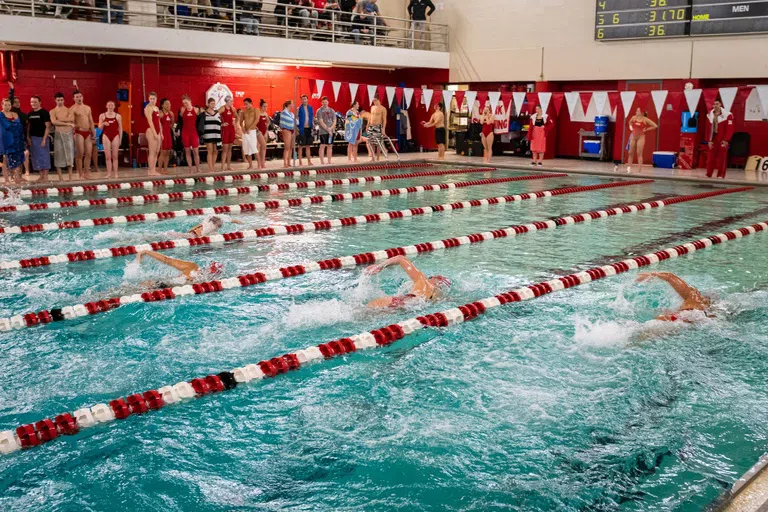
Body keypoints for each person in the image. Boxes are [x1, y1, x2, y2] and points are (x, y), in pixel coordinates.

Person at [365, 256, 451, 308]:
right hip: (404, 308)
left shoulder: (424, 281)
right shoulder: (436, 298)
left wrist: (379, 267)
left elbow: (400, 258)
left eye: (431, 277)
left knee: (363, 311)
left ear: (436, 278)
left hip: (396, 301)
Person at [636, 272, 712, 322]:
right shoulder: (706, 308)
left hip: (679, 318)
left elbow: (670, 276)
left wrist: (652, 274)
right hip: (690, 320)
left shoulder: (694, 296)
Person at [136, 250, 223, 288]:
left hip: (164, 283)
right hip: (165, 285)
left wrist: (147, 252)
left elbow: (167, 260)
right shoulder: (205, 281)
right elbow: (167, 260)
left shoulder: (192, 266)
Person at [617, 108, 658, 174]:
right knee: (630, 152)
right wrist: (631, 127)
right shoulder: (633, 117)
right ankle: (629, 168)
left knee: (639, 153)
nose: (636, 112)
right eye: (636, 110)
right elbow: (630, 122)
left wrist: (646, 129)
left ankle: (639, 170)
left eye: (637, 111)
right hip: (633, 136)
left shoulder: (645, 119)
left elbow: (655, 126)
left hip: (641, 137)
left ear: (641, 112)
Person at [27, 95, 53, 183]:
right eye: (32, 102)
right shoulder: (30, 114)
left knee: (44, 157)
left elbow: (48, 127)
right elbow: (29, 127)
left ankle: (45, 176)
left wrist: (44, 139)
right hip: (33, 138)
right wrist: (28, 137)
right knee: (36, 157)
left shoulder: (44, 112)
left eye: (35, 102)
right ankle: (41, 175)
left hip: (42, 138)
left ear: (40, 102)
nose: (33, 103)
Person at [706, 100, 734, 179]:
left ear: (720, 104)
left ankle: (720, 175)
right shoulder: (710, 114)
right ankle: (708, 173)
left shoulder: (728, 115)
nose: (715, 105)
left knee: (722, 158)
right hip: (713, 138)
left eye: (717, 104)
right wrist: (709, 140)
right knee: (710, 158)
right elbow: (708, 129)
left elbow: (730, 129)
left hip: (722, 139)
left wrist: (726, 139)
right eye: (714, 104)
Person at [50, 92, 75, 180]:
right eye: (58, 100)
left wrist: (59, 120)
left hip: (68, 134)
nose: (60, 102)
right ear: (55, 101)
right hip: (58, 135)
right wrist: (67, 123)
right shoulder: (52, 111)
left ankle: (70, 178)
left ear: (64, 100)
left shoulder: (69, 110)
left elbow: (72, 119)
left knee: (70, 155)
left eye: (61, 100)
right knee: (58, 155)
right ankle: (60, 178)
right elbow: (54, 122)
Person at [1, 97, 26, 186]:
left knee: (17, 158)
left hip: (16, 139)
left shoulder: (15, 114)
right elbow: (7, 125)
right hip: (6, 140)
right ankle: (7, 178)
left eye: (9, 105)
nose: (7, 107)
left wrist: (16, 128)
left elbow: (19, 126)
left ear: (11, 105)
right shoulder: (1, 114)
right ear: (2, 105)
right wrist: (15, 126)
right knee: (6, 159)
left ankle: (16, 177)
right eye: (5, 105)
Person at [71, 90, 95, 180]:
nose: (79, 98)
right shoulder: (72, 109)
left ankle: (86, 173)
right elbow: (71, 123)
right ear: (73, 98)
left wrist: (93, 132)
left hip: (88, 132)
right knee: (80, 153)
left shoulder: (88, 108)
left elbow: (91, 121)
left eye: (80, 96)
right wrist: (76, 126)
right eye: (76, 97)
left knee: (89, 153)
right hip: (79, 132)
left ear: (82, 97)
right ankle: (80, 174)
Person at [8, 84, 30, 181]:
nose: (17, 104)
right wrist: (12, 89)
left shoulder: (24, 115)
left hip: (21, 138)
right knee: (12, 156)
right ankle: (13, 175)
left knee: (23, 155)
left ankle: (23, 173)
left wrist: (27, 138)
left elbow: (27, 128)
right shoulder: (11, 113)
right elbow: (10, 99)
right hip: (11, 138)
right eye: (15, 102)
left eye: (18, 102)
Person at [98, 100, 123, 179]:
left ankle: (116, 173)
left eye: (112, 105)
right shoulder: (102, 115)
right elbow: (99, 127)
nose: (110, 107)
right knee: (108, 157)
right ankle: (109, 173)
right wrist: (103, 124)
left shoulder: (118, 116)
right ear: (106, 106)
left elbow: (120, 128)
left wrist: (120, 139)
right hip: (106, 136)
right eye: (109, 105)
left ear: (114, 107)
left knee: (115, 156)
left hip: (115, 136)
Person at [178, 95, 201, 173]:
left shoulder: (196, 109)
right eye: (184, 103)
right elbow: (180, 119)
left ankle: (198, 168)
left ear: (190, 101)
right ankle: (190, 169)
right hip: (185, 133)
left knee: (196, 152)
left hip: (193, 133)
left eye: (186, 102)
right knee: (187, 152)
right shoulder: (183, 109)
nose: (185, 104)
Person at [142, 92, 162, 177]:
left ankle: (153, 169)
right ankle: (150, 171)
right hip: (151, 131)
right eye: (151, 99)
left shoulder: (157, 108)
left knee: (157, 151)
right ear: (149, 99)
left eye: (154, 99)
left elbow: (158, 121)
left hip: (157, 131)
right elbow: (150, 122)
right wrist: (155, 134)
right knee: (152, 151)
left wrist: (161, 133)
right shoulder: (148, 108)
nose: (152, 100)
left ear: (156, 99)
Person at [239, 97, 259, 170]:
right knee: (247, 150)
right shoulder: (244, 112)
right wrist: (243, 128)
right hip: (246, 132)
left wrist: (250, 128)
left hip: (252, 131)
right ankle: (250, 165)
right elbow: (240, 121)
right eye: (244, 104)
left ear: (251, 103)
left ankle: (259, 165)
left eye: (246, 104)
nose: (245, 105)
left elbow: (257, 120)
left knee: (254, 148)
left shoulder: (255, 110)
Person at [202, 97, 221, 172]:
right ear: (208, 104)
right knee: (210, 151)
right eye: (212, 103)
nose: (213, 105)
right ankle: (210, 168)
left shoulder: (217, 113)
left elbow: (219, 122)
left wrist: (223, 124)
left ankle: (212, 166)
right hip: (208, 134)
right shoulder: (204, 113)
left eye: (214, 103)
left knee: (216, 151)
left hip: (216, 134)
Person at [218, 96, 236, 171]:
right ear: (227, 101)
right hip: (225, 130)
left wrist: (235, 122)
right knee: (225, 149)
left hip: (231, 129)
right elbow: (214, 116)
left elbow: (237, 116)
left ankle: (228, 166)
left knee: (230, 149)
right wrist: (221, 124)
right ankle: (222, 166)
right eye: (231, 101)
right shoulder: (222, 108)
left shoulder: (233, 108)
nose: (232, 102)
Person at [316, 96, 336, 165]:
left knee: (330, 146)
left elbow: (334, 121)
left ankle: (329, 161)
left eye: (326, 102)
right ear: (321, 103)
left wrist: (331, 129)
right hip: (323, 131)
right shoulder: (319, 110)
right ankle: (322, 162)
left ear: (328, 102)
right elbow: (321, 122)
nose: (325, 103)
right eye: (323, 102)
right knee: (323, 145)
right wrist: (328, 130)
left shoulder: (332, 110)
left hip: (331, 131)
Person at [296, 94, 314, 166]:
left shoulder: (310, 108)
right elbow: (296, 119)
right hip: (302, 129)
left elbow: (312, 117)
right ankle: (300, 162)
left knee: (308, 146)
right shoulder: (299, 109)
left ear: (307, 99)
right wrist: (297, 129)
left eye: (305, 99)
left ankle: (309, 161)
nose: (304, 100)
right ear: (301, 100)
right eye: (302, 99)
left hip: (309, 128)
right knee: (300, 146)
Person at [368, 95, 387, 161]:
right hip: (371, 126)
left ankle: (378, 158)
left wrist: (383, 129)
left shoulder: (383, 108)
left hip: (378, 126)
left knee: (378, 143)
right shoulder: (372, 107)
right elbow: (370, 117)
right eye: (373, 100)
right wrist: (368, 126)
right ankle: (373, 158)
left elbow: (384, 120)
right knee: (371, 143)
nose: (374, 102)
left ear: (379, 100)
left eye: (375, 100)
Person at [158, 98, 174, 175]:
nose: (169, 105)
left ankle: (165, 169)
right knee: (163, 152)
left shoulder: (171, 114)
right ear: (162, 105)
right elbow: (157, 124)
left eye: (169, 104)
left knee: (168, 152)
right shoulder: (160, 113)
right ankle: (159, 169)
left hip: (168, 135)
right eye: (166, 104)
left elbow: (172, 124)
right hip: (162, 134)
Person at [279, 100, 296, 168]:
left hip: (292, 130)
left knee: (291, 147)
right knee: (287, 147)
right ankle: (285, 163)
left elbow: (296, 122)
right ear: (289, 105)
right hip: (286, 129)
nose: (293, 105)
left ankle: (289, 162)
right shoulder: (283, 112)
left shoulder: (291, 113)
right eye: (292, 104)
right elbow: (291, 120)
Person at [256, 99, 270, 169]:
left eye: (266, 106)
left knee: (264, 148)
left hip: (264, 131)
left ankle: (263, 163)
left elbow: (268, 121)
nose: (265, 108)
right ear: (261, 106)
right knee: (258, 148)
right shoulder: (257, 113)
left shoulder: (265, 114)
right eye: (264, 106)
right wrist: (257, 129)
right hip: (259, 132)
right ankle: (259, 164)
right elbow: (254, 123)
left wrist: (267, 125)